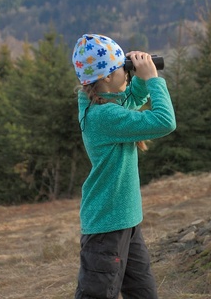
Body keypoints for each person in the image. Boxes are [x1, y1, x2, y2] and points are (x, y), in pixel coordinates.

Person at [72, 34, 176, 299]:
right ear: (106, 77)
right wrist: (153, 79)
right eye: (122, 67)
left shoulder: (98, 103)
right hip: (108, 226)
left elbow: (128, 102)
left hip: (126, 221)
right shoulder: (104, 116)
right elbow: (164, 121)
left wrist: (136, 77)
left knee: (144, 294)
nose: (126, 71)